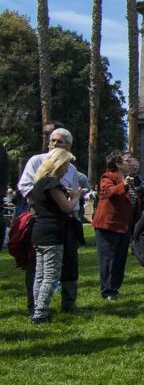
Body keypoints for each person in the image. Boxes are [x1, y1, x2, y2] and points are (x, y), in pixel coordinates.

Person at [18, 126, 83, 315]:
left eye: (59, 142)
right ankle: (38, 309)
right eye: (52, 140)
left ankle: (66, 304)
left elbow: (71, 205)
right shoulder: (40, 166)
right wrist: (46, 203)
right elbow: (25, 187)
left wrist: (75, 221)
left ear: (69, 146)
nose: (54, 144)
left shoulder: (70, 168)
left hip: (63, 223)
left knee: (63, 265)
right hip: (46, 221)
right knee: (46, 273)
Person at [28, 148, 81, 323]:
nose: (67, 169)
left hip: (39, 231)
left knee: (40, 275)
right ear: (59, 164)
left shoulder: (38, 183)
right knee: (51, 275)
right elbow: (66, 207)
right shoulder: (51, 183)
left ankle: (36, 308)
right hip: (53, 233)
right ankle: (41, 313)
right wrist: (76, 196)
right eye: (66, 165)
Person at [92, 150, 139, 301]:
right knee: (107, 258)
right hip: (108, 224)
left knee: (120, 258)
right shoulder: (108, 177)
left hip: (124, 225)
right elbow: (109, 192)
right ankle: (107, 290)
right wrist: (123, 185)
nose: (130, 162)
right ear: (118, 164)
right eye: (127, 160)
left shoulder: (129, 179)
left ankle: (114, 289)